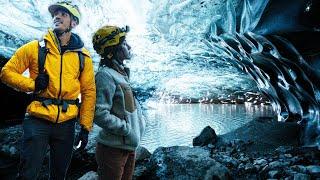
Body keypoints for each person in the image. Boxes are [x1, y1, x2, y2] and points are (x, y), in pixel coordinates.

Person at [0, 1, 96, 179]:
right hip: (38, 120)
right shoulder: (34, 48)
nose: (57, 17)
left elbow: (89, 91)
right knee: (28, 174)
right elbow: (6, 72)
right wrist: (33, 85)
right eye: (55, 14)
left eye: (63, 14)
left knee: (59, 175)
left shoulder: (83, 57)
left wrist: (85, 128)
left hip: (67, 124)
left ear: (73, 23)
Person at [92, 25, 146, 180]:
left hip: (128, 147)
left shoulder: (121, 74)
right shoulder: (105, 76)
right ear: (111, 51)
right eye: (123, 44)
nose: (129, 46)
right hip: (112, 150)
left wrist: (136, 129)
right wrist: (127, 130)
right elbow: (99, 113)